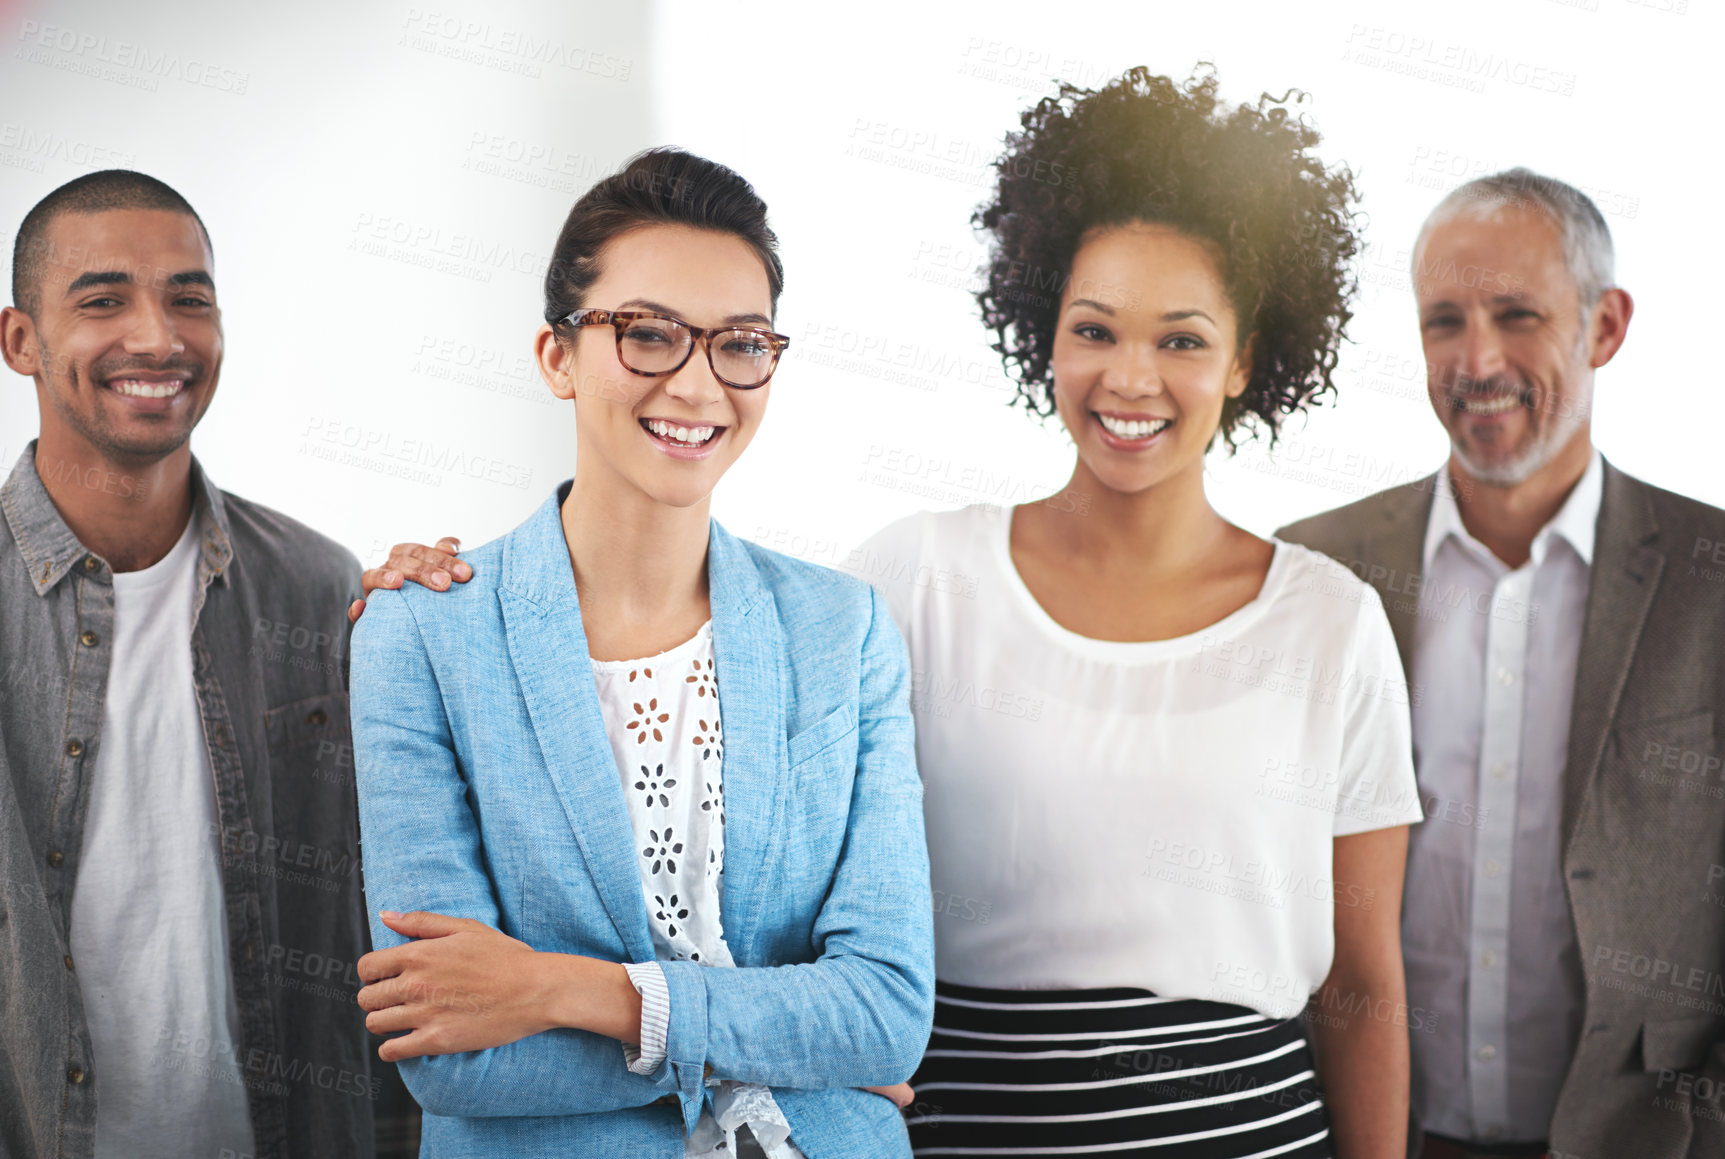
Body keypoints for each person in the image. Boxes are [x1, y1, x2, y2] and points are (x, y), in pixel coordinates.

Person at [839, 68, 1419, 1158]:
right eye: (1095, 330)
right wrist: (455, 591)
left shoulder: (1330, 625)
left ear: (1247, 359)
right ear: (1044, 337)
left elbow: (1361, 983)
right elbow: (700, 686)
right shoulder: (916, 580)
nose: (1131, 378)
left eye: (1184, 340)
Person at [346, 147, 934, 1159]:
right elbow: (450, 1054)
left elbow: (884, 1013)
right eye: (649, 333)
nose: (699, 382)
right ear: (558, 356)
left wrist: (565, 990)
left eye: (740, 342)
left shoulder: (845, 632)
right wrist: (784, 1041)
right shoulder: (424, 632)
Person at [1279, 169, 1725, 1159]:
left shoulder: (1713, 579)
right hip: (1371, 1133)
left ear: (1604, 327)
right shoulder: (1314, 566)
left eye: (1517, 315)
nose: (1475, 359)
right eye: (1444, 321)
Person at [0, 171, 411, 1158]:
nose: (157, 336)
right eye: (103, 299)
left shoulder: (319, 590)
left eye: (190, 297)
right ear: (20, 340)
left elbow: (393, 907)